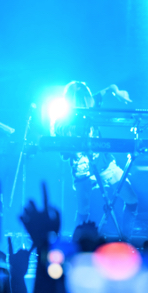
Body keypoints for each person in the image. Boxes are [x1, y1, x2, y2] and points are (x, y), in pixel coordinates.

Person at [54, 81, 138, 238]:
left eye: (86, 100)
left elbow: (108, 88)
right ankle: (77, 245)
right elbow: (60, 139)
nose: (84, 104)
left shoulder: (90, 104)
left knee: (131, 199)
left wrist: (117, 91)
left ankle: (125, 239)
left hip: (105, 165)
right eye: (79, 101)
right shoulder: (62, 120)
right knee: (83, 211)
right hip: (82, 171)